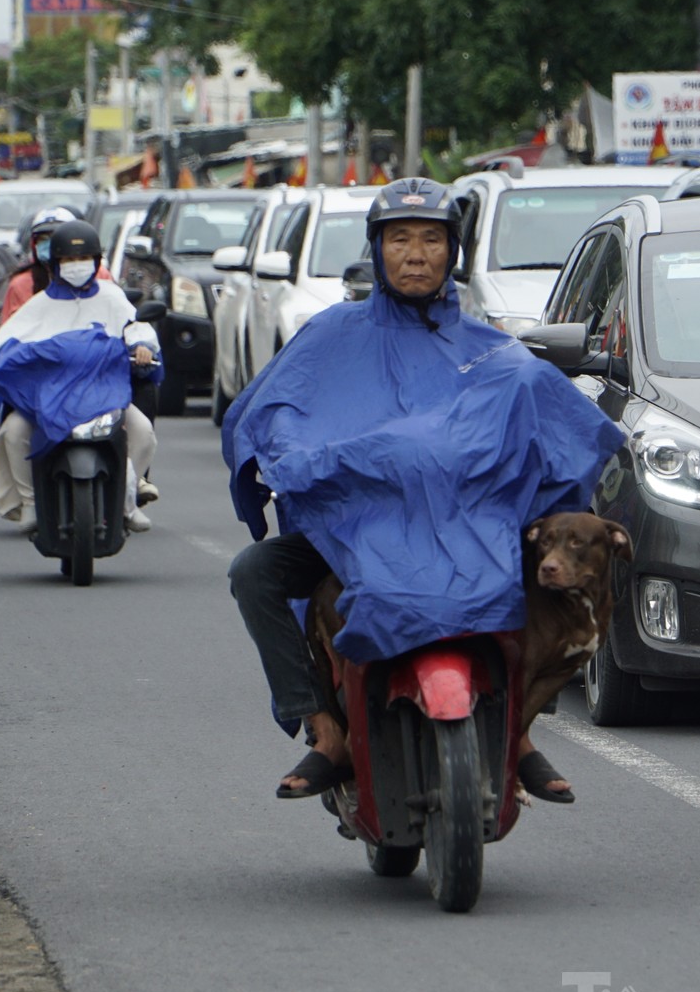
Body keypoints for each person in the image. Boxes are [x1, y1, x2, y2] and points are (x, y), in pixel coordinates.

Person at [223, 179, 624, 803]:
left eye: (432, 240)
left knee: (561, 587)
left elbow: (551, 420)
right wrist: (294, 461)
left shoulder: (494, 354)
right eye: (400, 239)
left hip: (471, 534)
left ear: (452, 254)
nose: (416, 254)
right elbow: (270, 408)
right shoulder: (331, 334)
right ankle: (325, 727)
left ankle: (516, 733)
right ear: (377, 250)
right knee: (254, 573)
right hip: (356, 536)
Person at [0, 220, 158, 535]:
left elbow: (135, 327)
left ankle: (126, 502)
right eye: (68, 260)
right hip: (47, 397)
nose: (76, 266)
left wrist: (142, 346)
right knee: (12, 433)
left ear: (96, 262)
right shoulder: (39, 305)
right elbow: (2, 344)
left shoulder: (112, 297)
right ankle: (31, 503)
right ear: (54, 264)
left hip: (104, 392)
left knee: (142, 432)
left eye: (83, 259)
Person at [0, 205, 98, 324]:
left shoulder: (97, 273)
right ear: (34, 244)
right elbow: (10, 331)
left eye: (55, 237)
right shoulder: (21, 285)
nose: (50, 244)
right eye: (43, 238)